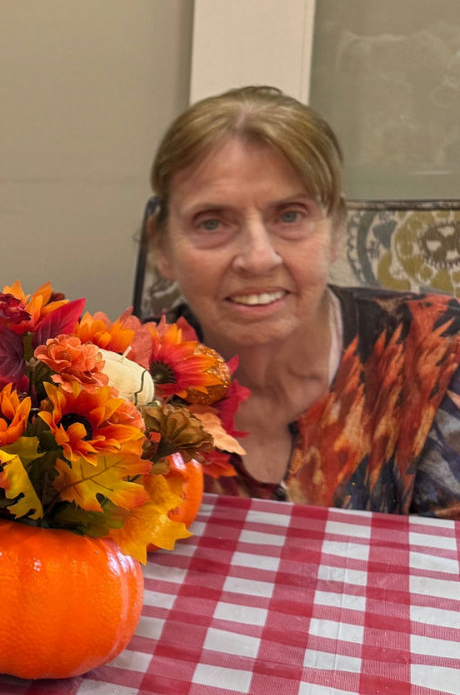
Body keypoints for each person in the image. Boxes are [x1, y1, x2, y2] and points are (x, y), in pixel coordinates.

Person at [148, 85, 460, 518]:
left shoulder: (439, 352)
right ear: (162, 247)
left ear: (336, 232)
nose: (258, 258)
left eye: (290, 215)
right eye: (212, 222)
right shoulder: (123, 387)